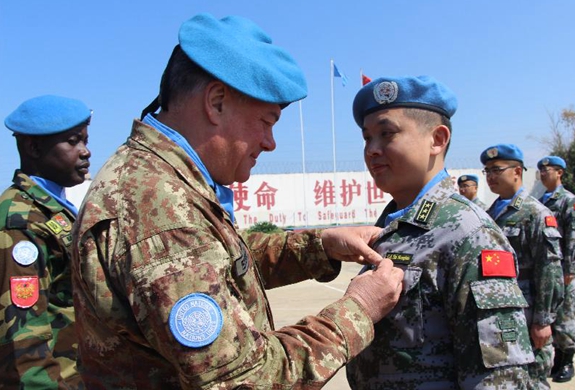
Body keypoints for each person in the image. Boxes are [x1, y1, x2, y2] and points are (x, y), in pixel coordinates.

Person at [70, 14, 404, 389]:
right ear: (216, 103)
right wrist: (357, 312)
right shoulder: (160, 211)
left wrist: (320, 245)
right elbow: (246, 380)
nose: (270, 142)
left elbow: (218, 262)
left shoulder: (159, 181)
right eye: (267, 121)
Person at [345, 76, 533, 389]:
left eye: (386, 134)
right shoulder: (393, 227)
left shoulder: (469, 233)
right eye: (367, 138)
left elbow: (500, 378)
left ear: (437, 139)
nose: (372, 150)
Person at [1, 95, 92, 388]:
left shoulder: (53, 209)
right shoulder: (20, 221)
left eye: (85, 141)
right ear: (33, 148)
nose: (85, 152)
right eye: (73, 142)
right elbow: (22, 337)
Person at [481, 144, 564, 389]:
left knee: (533, 378)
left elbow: (549, 270)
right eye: (486, 171)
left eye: (497, 170)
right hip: (498, 311)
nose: (490, 177)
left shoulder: (535, 214)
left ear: (517, 171)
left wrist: (543, 320)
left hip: (527, 314)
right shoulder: (488, 214)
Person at [537, 156, 575, 383]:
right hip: (545, 270)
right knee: (548, 314)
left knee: (565, 317)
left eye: (548, 170)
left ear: (560, 173)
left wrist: (570, 270)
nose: (544, 174)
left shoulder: (568, 200)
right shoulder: (539, 201)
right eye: (541, 171)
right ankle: (554, 360)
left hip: (563, 270)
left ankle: (566, 361)